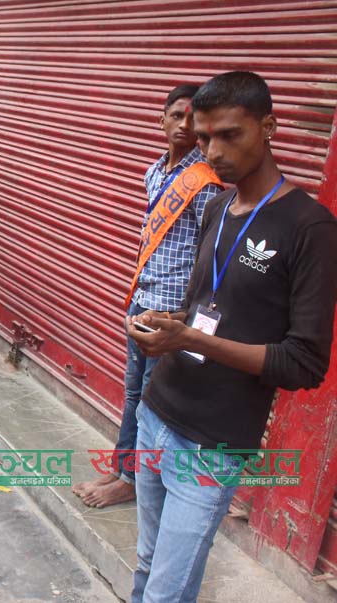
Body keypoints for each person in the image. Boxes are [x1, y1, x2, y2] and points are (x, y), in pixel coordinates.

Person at [127, 71, 337, 602]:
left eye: (229, 135)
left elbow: (304, 363)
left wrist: (190, 340)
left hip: (211, 441)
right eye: (204, 138)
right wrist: (168, 322)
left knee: (166, 591)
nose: (213, 152)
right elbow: (207, 306)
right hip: (157, 411)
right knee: (146, 564)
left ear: (268, 127)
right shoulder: (216, 207)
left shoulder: (310, 228)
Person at [73, 84, 222, 508]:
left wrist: (188, 316)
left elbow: (209, 255)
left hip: (170, 311)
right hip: (143, 298)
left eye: (192, 118)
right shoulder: (154, 172)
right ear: (161, 121)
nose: (184, 124)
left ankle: (133, 481)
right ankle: (123, 468)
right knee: (134, 393)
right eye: (176, 115)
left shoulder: (205, 184)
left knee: (152, 400)